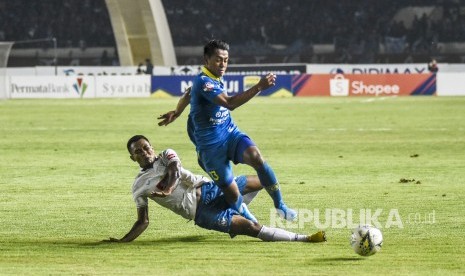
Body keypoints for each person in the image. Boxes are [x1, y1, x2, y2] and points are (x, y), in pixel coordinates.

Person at [157, 39, 297, 222]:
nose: (223, 64)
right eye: (218, 59)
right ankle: (251, 222)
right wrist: (259, 87)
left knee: (256, 157)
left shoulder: (210, 78)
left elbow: (188, 93)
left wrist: (177, 112)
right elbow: (229, 104)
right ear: (206, 60)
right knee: (230, 191)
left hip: (230, 133)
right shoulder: (205, 82)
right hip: (210, 148)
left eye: (226, 60)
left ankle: (280, 205)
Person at [103, 135, 326, 243]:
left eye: (145, 147)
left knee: (263, 179)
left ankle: (255, 206)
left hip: (213, 189)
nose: (144, 152)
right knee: (251, 227)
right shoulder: (138, 187)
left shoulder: (166, 155)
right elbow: (143, 221)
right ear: (132, 158)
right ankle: (304, 238)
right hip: (202, 212)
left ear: (151, 146)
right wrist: (123, 241)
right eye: (138, 152)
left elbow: (174, 169)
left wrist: (169, 189)